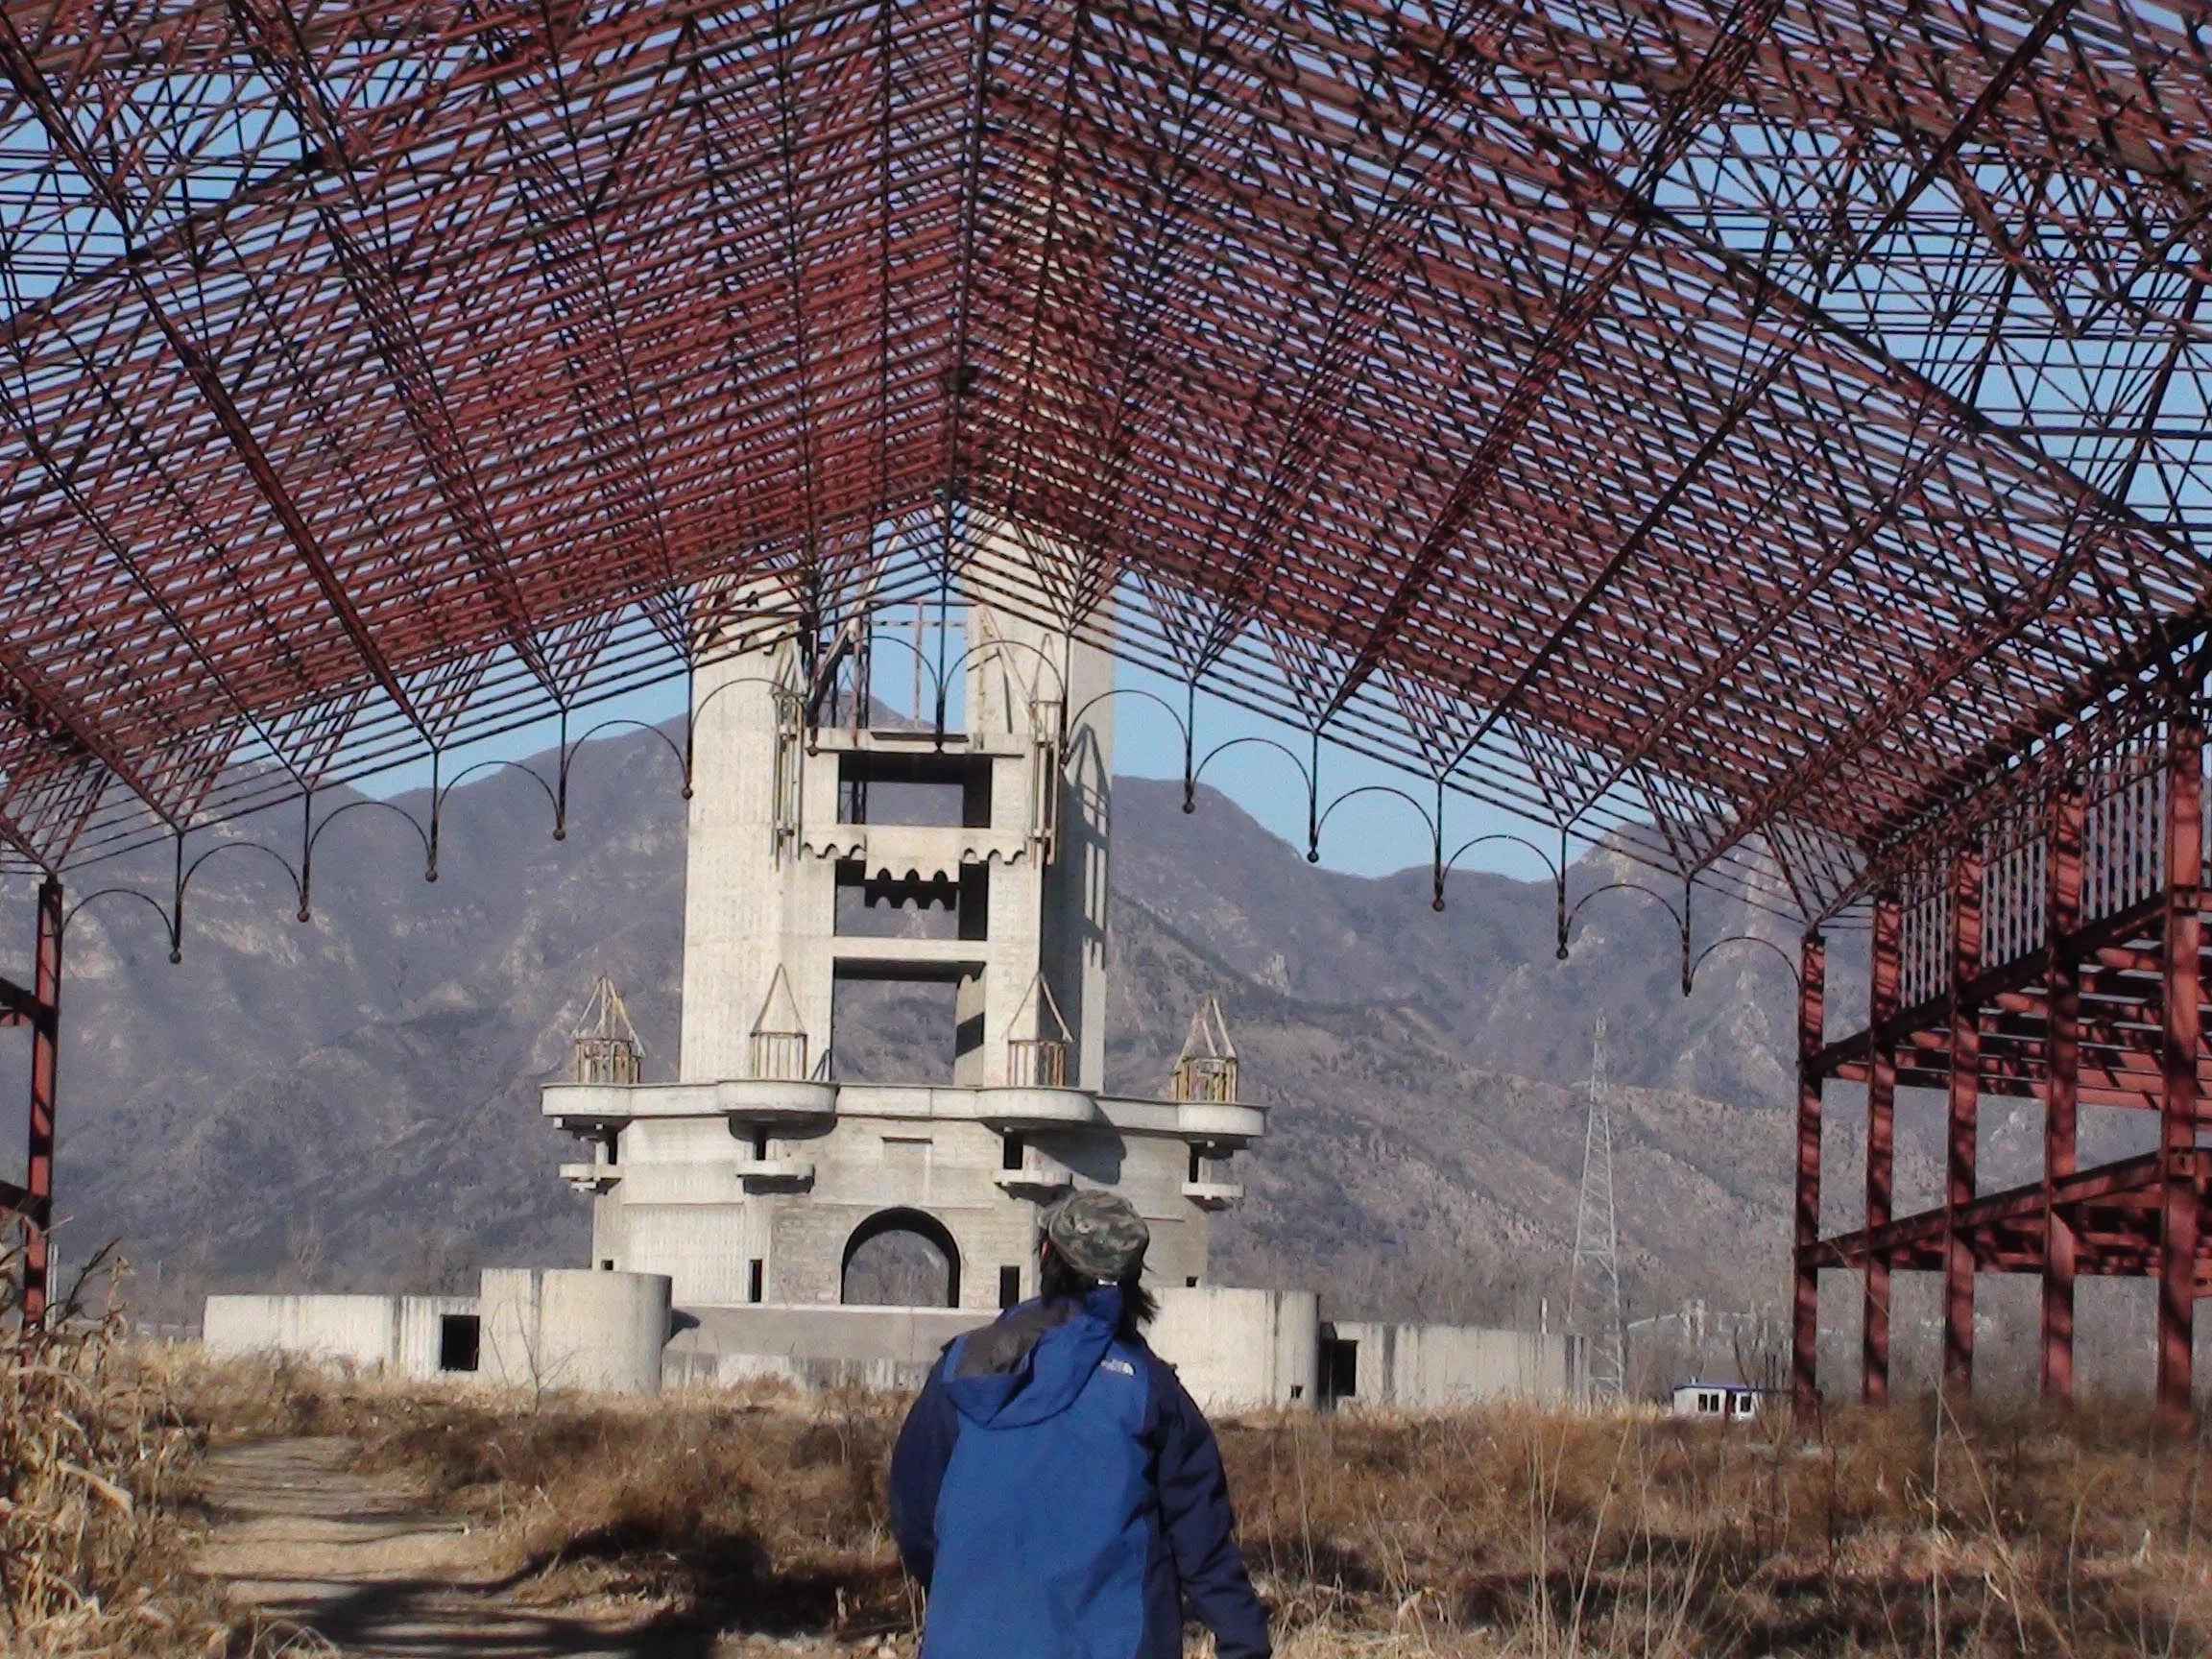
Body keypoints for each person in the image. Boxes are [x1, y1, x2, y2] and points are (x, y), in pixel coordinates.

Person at [888, 1190, 1271, 1659]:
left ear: (1047, 1254)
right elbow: (1204, 1547)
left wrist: (968, 1589)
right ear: (1134, 1277)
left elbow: (914, 1516)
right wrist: (1244, 1641)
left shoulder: (962, 1367)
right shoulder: (1148, 1392)